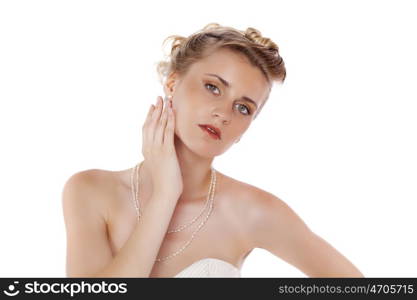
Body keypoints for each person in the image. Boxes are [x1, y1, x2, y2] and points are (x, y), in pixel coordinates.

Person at [62, 23, 364, 278]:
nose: (224, 113)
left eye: (243, 108)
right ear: (172, 82)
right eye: (213, 87)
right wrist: (166, 194)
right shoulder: (90, 191)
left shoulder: (253, 211)